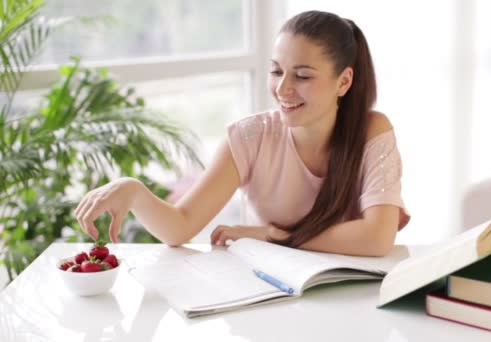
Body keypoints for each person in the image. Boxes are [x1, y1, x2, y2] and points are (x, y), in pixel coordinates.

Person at [74, 10, 410, 257]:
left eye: (303, 76)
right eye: (276, 71)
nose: (283, 89)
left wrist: (272, 235)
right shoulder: (252, 137)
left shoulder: (371, 131)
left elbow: (376, 239)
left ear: (344, 81)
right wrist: (133, 192)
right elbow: (179, 228)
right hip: (276, 293)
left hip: (354, 298)